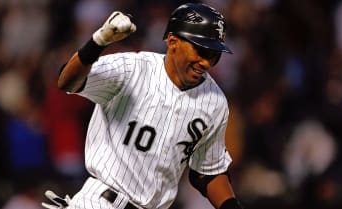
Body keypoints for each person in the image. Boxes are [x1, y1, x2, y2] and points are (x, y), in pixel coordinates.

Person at [42, 3, 242, 209]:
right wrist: (99, 41)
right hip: (102, 201)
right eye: (200, 50)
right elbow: (67, 81)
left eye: (213, 55)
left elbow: (207, 171)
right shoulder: (133, 68)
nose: (206, 63)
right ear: (173, 41)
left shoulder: (214, 102)